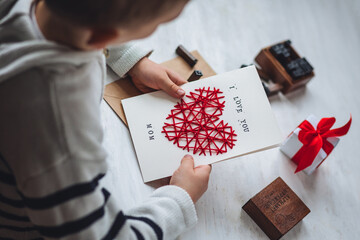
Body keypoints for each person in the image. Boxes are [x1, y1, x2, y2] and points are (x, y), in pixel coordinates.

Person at [0, 0, 212, 239]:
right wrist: (180, 199)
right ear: (102, 37)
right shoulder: (57, 129)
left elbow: (83, 18)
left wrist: (131, 60)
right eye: (159, 23)